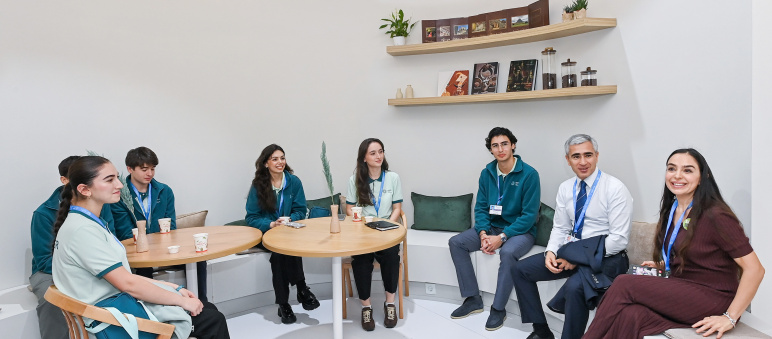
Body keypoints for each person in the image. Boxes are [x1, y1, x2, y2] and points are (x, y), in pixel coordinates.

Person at [583, 148, 765, 339]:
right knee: (632, 314)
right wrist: (665, 265)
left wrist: (730, 317)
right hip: (685, 286)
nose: (677, 175)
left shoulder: (716, 215)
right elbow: (697, 255)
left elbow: (755, 269)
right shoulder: (674, 209)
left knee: (623, 283)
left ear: (703, 177)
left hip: (713, 297)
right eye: (671, 169)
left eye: (687, 170)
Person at [51, 156, 230, 339]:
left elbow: (125, 277)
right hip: (114, 323)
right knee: (212, 319)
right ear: (84, 189)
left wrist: (173, 287)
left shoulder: (85, 222)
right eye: (109, 179)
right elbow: (128, 284)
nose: (119, 185)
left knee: (206, 308)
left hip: (115, 308)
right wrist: (179, 299)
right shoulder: (83, 231)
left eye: (117, 178)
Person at [511, 134, 633, 339]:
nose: (583, 162)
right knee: (520, 270)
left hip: (606, 257)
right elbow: (559, 227)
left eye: (588, 155)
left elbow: (619, 239)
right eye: (576, 156)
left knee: (576, 288)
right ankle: (541, 330)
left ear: (597, 156)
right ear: (568, 160)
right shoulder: (566, 188)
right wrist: (550, 251)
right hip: (571, 252)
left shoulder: (615, 188)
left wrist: (577, 258)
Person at [449, 127, 541, 331]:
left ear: (513, 145)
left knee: (507, 252)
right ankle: (473, 299)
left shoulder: (529, 174)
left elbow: (529, 216)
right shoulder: (487, 172)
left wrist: (502, 237)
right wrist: (483, 233)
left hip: (520, 231)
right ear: (490, 149)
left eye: (504, 144)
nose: (500, 149)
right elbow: (481, 207)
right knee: (456, 242)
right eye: (495, 145)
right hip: (491, 227)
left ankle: (499, 309)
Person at [29, 155, 116, 339]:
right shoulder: (43, 214)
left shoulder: (101, 203)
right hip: (49, 272)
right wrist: (80, 269)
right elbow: (44, 260)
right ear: (64, 180)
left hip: (91, 266)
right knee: (52, 301)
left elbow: (111, 240)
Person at [245, 144, 320, 324]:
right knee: (280, 252)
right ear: (265, 163)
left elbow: (301, 210)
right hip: (267, 234)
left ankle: (283, 304)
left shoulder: (294, 182)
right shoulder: (258, 185)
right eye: (275, 159)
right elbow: (251, 217)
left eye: (282, 158)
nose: (280, 162)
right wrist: (271, 223)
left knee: (282, 252)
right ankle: (302, 289)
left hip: (288, 231)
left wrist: (289, 219)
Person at [345, 138, 404, 331]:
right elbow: (349, 208)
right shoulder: (354, 180)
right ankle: (366, 307)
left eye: (381, 151)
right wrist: (360, 223)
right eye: (373, 153)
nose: (378, 156)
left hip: (387, 230)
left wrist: (387, 225)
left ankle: (389, 304)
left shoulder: (393, 177)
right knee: (361, 261)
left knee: (390, 257)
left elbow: (397, 208)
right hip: (363, 232)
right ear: (364, 158)